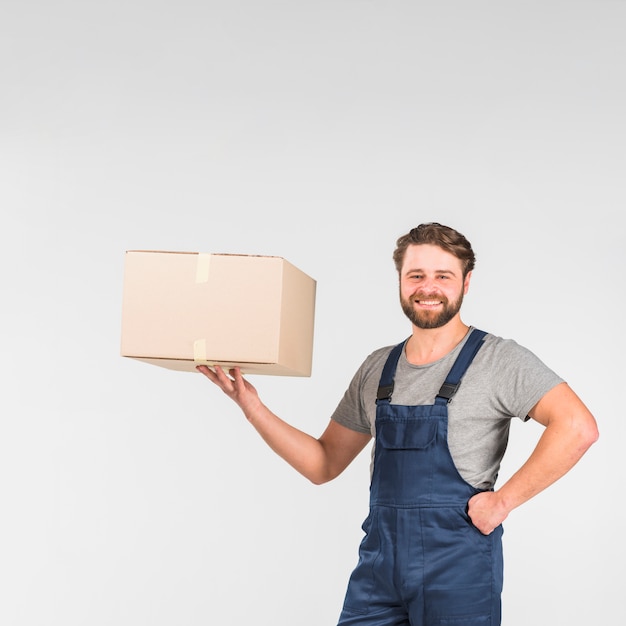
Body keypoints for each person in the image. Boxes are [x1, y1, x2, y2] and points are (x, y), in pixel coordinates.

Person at [196, 222, 598, 626]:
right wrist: (252, 407)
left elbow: (577, 426)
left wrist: (504, 501)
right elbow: (323, 464)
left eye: (443, 276)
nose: (428, 287)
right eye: (416, 275)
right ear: (401, 281)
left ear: (466, 282)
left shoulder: (499, 360)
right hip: (379, 569)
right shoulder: (377, 367)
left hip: (458, 569)